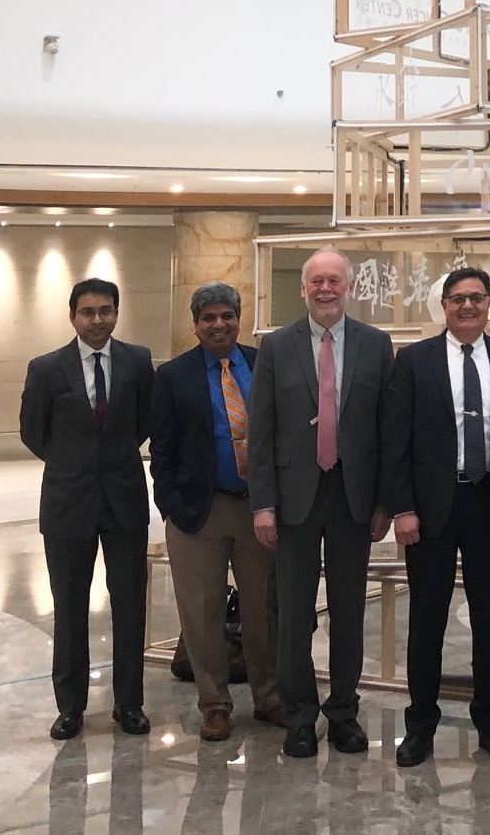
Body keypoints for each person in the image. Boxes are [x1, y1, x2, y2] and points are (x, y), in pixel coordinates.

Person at [247, 249, 394, 759]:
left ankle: (344, 713)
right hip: (294, 500)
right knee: (294, 614)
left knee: (350, 611)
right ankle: (301, 717)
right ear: (304, 289)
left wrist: (385, 503)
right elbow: (260, 430)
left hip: (354, 499)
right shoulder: (276, 346)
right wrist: (262, 503)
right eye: (317, 281)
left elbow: (386, 430)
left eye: (334, 280)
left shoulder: (376, 345)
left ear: (348, 286)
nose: (326, 289)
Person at [383, 267, 490, 767]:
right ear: (442, 306)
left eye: (477, 298)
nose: (468, 306)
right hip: (430, 509)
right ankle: (420, 727)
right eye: (458, 299)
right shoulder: (415, 360)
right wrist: (402, 508)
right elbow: (396, 441)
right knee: (427, 620)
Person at [20, 277, 156, 740]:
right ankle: (70, 708)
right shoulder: (46, 368)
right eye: (88, 312)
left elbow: (144, 420)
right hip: (67, 503)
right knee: (70, 607)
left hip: (123, 500)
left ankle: (129, 704)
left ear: (117, 313)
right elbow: (32, 432)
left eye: (106, 311)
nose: (97, 319)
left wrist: (109, 459)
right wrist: (73, 463)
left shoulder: (137, 361)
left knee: (130, 604)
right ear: (72, 316)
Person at [149, 282, 282, 741]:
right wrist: (170, 503)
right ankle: (215, 705)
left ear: (239, 318)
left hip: (258, 511)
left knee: (264, 608)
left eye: (226, 315)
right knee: (202, 613)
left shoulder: (263, 362)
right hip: (197, 513)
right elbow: (161, 448)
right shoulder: (172, 375)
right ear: (196, 324)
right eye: (208, 317)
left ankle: (269, 697)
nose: (218, 324)